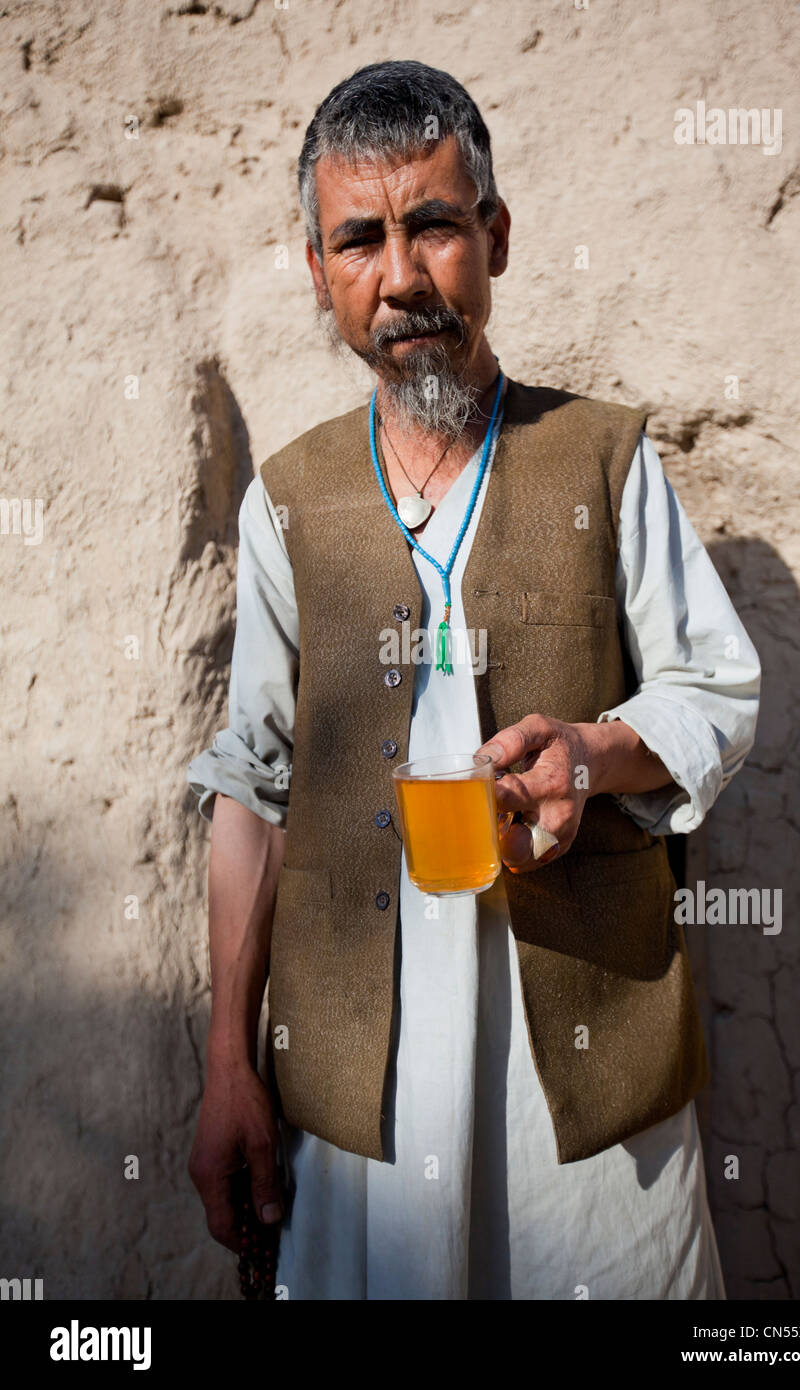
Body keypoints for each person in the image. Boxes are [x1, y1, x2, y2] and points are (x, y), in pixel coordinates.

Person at [186, 60, 760, 1300]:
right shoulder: (288, 502)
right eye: (359, 240)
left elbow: (713, 688)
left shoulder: (602, 460)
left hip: (585, 1120)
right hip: (356, 1118)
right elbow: (252, 787)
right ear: (318, 269)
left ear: (491, 236)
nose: (400, 277)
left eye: (433, 225)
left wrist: (591, 756)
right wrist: (230, 1062)